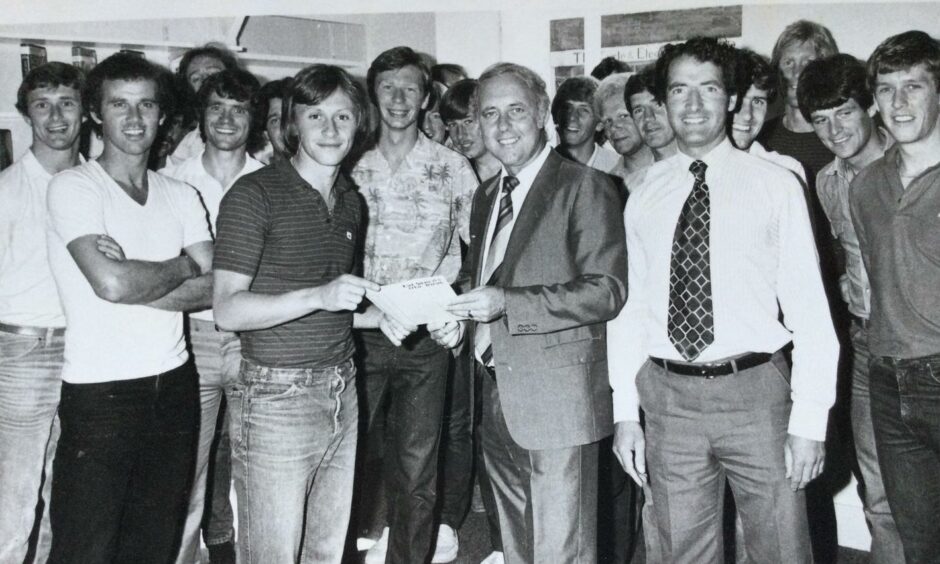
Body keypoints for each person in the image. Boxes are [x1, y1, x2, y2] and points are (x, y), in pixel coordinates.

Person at [608, 37, 839, 563]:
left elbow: (810, 311)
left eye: (708, 89)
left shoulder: (776, 185)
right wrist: (626, 412)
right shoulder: (643, 192)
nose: (692, 105)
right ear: (664, 102)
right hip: (669, 400)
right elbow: (632, 311)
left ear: (731, 98)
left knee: (780, 547)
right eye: (679, 91)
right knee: (678, 548)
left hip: (757, 396)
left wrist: (809, 424)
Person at [434, 61, 628, 563]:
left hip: (558, 402)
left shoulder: (585, 186)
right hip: (493, 397)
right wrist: (458, 318)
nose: (502, 127)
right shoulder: (486, 196)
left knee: (564, 550)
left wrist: (507, 305)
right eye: (490, 114)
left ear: (543, 113)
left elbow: (605, 291)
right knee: (515, 545)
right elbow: (490, 282)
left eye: (516, 111)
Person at [45, 52, 213, 563]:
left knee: (155, 543)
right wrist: (182, 266)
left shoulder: (181, 193)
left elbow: (219, 287)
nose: (135, 118)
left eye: (146, 105)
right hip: (102, 394)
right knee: (86, 549)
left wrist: (141, 277)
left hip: (175, 385)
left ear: (163, 115)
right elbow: (113, 284)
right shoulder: (74, 186)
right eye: (119, 104)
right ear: (96, 113)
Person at [212, 64, 378, 564]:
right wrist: (318, 296)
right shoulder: (253, 195)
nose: (330, 130)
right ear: (293, 125)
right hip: (275, 397)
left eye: (343, 116)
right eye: (315, 115)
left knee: (326, 551)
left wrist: (379, 318)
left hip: (342, 390)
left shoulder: (351, 201)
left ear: (358, 124)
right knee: (272, 555)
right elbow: (227, 309)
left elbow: (334, 306)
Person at [350, 46, 478, 564]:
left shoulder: (453, 167)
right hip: (359, 332)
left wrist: (460, 312)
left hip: (426, 340)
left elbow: (482, 250)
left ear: (426, 96)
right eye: (387, 86)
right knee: (348, 458)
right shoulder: (348, 161)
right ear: (371, 93)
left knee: (417, 466)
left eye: (410, 87)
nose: (399, 98)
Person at [796, 53, 902, 564]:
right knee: (878, 494)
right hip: (865, 348)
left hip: (926, 345)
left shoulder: (914, 166)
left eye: (843, 112)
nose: (833, 130)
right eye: (820, 119)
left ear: (870, 107)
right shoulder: (826, 184)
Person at [160, 68, 265, 564]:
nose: (227, 118)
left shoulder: (271, 182)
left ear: (254, 118)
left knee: (257, 469)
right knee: (185, 471)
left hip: (255, 341)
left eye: (239, 108)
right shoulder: (171, 183)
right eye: (217, 107)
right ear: (200, 116)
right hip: (191, 341)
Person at [849, 30, 940, 564]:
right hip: (887, 379)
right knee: (918, 541)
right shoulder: (865, 187)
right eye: (886, 90)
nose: (898, 103)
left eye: (914, 87)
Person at [0, 61, 84, 563]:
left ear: (85, 113)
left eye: (67, 103)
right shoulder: (7, 189)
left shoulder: (98, 183)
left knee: (67, 489)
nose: (55, 117)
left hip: (88, 351)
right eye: (42, 105)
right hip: (25, 348)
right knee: (15, 486)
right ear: (26, 115)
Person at [438, 77, 504, 564]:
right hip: (458, 317)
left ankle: (504, 543)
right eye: (453, 123)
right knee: (460, 424)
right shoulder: (457, 177)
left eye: (470, 119)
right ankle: (451, 523)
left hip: (504, 322)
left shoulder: (509, 178)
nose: (463, 132)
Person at [758, 20, 838, 182]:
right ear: (776, 70)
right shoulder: (761, 136)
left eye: (807, 63)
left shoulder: (838, 136)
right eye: (788, 63)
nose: (797, 73)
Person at [731, 48, 807, 182]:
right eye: (739, 100)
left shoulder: (788, 171)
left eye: (757, 101)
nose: (747, 115)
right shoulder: (690, 167)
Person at [169, 44, 241, 166]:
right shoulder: (186, 147)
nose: (205, 81)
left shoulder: (259, 139)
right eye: (196, 78)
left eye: (213, 74)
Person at [595, 72, 653, 193]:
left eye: (623, 116)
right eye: (608, 121)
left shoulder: (675, 168)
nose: (614, 127)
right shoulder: (608, 186)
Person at [552, 76, 621, 172]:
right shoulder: (541, 166)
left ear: (600, 124)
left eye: (583, 110)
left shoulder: (617, 168)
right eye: (567, 108)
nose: (572, 117)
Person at [624, 67, 678, 184]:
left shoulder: (704, 173)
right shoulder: (633, 186)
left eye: (658, 105)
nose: (648, 117)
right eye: (639, 110)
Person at [253, 77, 292, 164]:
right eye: (275, 120)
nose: (285, 126)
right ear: (265, 133)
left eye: (292, 117)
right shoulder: (256, 175)